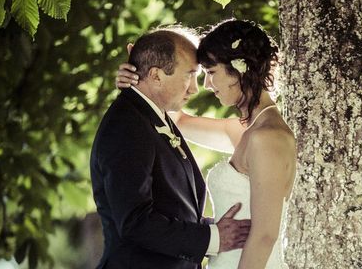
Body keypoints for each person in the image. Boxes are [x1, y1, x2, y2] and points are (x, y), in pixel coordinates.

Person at [116, 19, 296, 269]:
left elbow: (265, 236)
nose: (206, 85)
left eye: (211, 73)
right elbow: (175, 118)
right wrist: (138, 75)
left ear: (239, 70)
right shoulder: (244, 131)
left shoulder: (267, 137)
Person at [91, 26, 251, 269]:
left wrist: (217, 231)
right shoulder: (127, 125)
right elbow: (136, 222)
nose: (195, 89)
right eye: (190, 75)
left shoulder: (152, 116)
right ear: (156, 75)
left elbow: (173, 210)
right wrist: (213, 238)